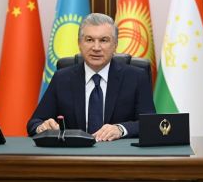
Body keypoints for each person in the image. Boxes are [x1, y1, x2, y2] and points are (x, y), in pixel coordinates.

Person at [27, 13, 155, 141]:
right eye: (89, 40)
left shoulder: (136, 78)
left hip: (118, 156)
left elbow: (150, 124)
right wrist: (41, 127)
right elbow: (34, 123)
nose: (96, 47)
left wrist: (121, 129)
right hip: (75, 157)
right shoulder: (62, 78)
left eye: (104, 40)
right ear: (79, 43)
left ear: (115, 45)